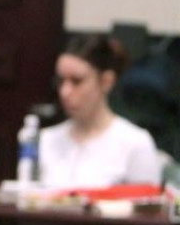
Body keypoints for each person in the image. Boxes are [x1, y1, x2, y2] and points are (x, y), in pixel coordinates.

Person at [38, 34, 162, 188]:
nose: (65, 92)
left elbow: (147, 208)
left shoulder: (135, 143)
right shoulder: (47, 140)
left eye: (77, 81)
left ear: (106, 81)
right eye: (61, 80)